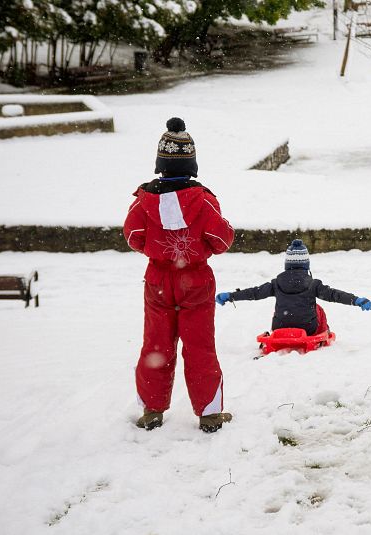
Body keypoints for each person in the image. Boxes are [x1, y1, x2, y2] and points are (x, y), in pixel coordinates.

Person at [123, 117, 235, 433]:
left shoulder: (143, 201)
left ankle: (152, 410)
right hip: (196, 281)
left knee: (156, 345)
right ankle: (210, 414)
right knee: (200, 346)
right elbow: (222, 239)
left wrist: (157, 250)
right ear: (192, 163)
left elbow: (133, 236)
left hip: (158, 280)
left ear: (160, 163)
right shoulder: (204, 200)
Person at [215, 239, 371, 335]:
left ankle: (284, 324)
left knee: (282, 307)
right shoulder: (313, 284)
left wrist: (231, 296)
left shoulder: (276, 283)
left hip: (280, 326)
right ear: (306, 264)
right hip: (308, 328)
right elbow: (334, 295)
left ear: (287, 264)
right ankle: (324, 333)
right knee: (318, 309)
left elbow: (254, 293)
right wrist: (356, 300)